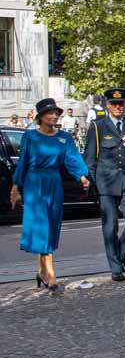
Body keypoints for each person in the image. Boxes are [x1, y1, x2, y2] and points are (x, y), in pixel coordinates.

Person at [10, 98, 89, 291]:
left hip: (54, 183)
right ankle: (51, 274)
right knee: (42, 225)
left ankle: (41, 271)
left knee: (52, 224)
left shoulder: (64, 137)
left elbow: (72, 158)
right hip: (34, 183)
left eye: (56, 113)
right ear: (40, 117)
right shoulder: (30, 137)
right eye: (49, 113)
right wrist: (15, 186)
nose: (54, 116)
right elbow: (23, 162)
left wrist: (82, 176)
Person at [84, 88, 125, 282]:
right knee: (110, 227)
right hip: (106, 182)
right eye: (114, 104)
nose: (118, 107)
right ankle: (115, 268)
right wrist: (93, 184)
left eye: (121, 103)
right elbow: (90, 159)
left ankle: (119, 255)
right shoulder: (97, 126)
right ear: (107, 105)